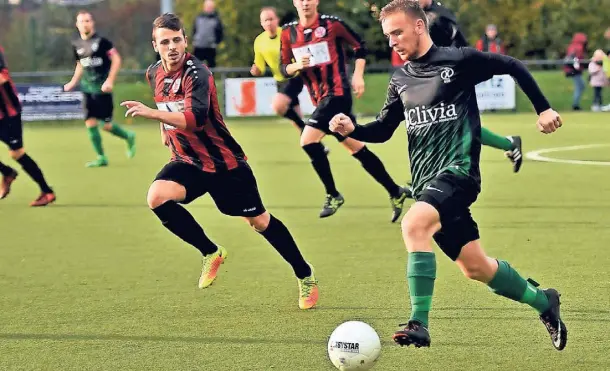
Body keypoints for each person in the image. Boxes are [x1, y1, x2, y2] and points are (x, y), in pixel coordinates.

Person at [329, 0, 567, 350]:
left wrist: (543, 108)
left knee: (413, 225)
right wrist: (351, 129)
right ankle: (545, 301)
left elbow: (513, 65)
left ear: (419, 27)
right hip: (428, 184)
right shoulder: (400, 79)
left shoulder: (459, 61)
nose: (392, 41)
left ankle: (418, 323)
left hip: (459, 173)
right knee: (477, 268)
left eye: (397, 32)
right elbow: (382, 130)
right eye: (387, 35)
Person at [120, 13, 318, 310]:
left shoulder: (198, 73)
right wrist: (164, 129)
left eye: (177, 40)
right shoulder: (154, 73)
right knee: (157, 197)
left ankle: (305, 276)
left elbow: (194, 119)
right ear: (155, 45)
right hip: (187, 159)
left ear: (185, 40)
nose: (172, 46)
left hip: (225, 164)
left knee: (259, 222)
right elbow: (165, 102)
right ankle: (211, 252)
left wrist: (153, 115)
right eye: (165, 42)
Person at [280, 0, 410, 221]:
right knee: (356, 147)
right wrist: (296, 66)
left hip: (338, 94)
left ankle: (333, 194)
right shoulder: (288, 33)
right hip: (319, 99)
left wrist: (357, 75)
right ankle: (395, 191)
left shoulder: (333, 25)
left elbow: (360, 45)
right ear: (295, 2)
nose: (305, 3)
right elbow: (283, 68)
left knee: (307, 140)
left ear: (316, 1)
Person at [418, 0, 523, 172]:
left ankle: (434, 171)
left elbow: (448, 43)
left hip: (453, 73)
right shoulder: (420, 14)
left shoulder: (440, 15)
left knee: (447, 122)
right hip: (437, 74)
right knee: (452, 123)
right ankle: (509, 144)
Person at [251, 6, 329, 153]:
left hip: (295, 74)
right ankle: (317, 146)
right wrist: (256, 70)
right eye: (265, 20)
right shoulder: (259, 41)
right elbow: (259, 66)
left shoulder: (287, 33)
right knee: (296, 117)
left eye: (271, 19)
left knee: (278, 106)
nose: (268, 23)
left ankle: (306, 128)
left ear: (277, 20)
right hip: (279, 79)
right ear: (261, 23)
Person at [64, 10, 136, 168]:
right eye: (82, 21)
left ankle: (129, 136)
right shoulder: (76, 44)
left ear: (93, 23)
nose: (85, 24)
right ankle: (101, 157)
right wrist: (73, 82)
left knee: (106, 125)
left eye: (88, 20)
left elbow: (116, 59)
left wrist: (110, 80)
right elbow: (80, 65)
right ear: (77, 24)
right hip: (87, 89)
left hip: (102, 89)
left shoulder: (103, 42)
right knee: (90, 122)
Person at [0, 46, 55, 206]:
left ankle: (47, 191)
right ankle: (7, 172)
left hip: (8, 112)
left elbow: (2, 78)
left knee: (17, 153)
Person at [192, 0, 224, 68]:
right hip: (198, 47)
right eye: (207, 7)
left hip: (211, 48)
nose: (209, 8)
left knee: (211, 68)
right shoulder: (198, 18)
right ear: (204, 7)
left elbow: (220, 33)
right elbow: (194, 30)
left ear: (213, 8)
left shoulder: (216, 19)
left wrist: (215, 43)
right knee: (196, 67)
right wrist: (195, 40)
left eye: (210, 7)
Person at [563, 33, 588, 111]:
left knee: (580, 86)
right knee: (580, 86)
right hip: (575, 70)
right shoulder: (578, 47)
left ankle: (576, 104)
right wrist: (577, 67)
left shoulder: (571, 46)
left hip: (571, 70)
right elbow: (576, 59)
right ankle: (575, 105)